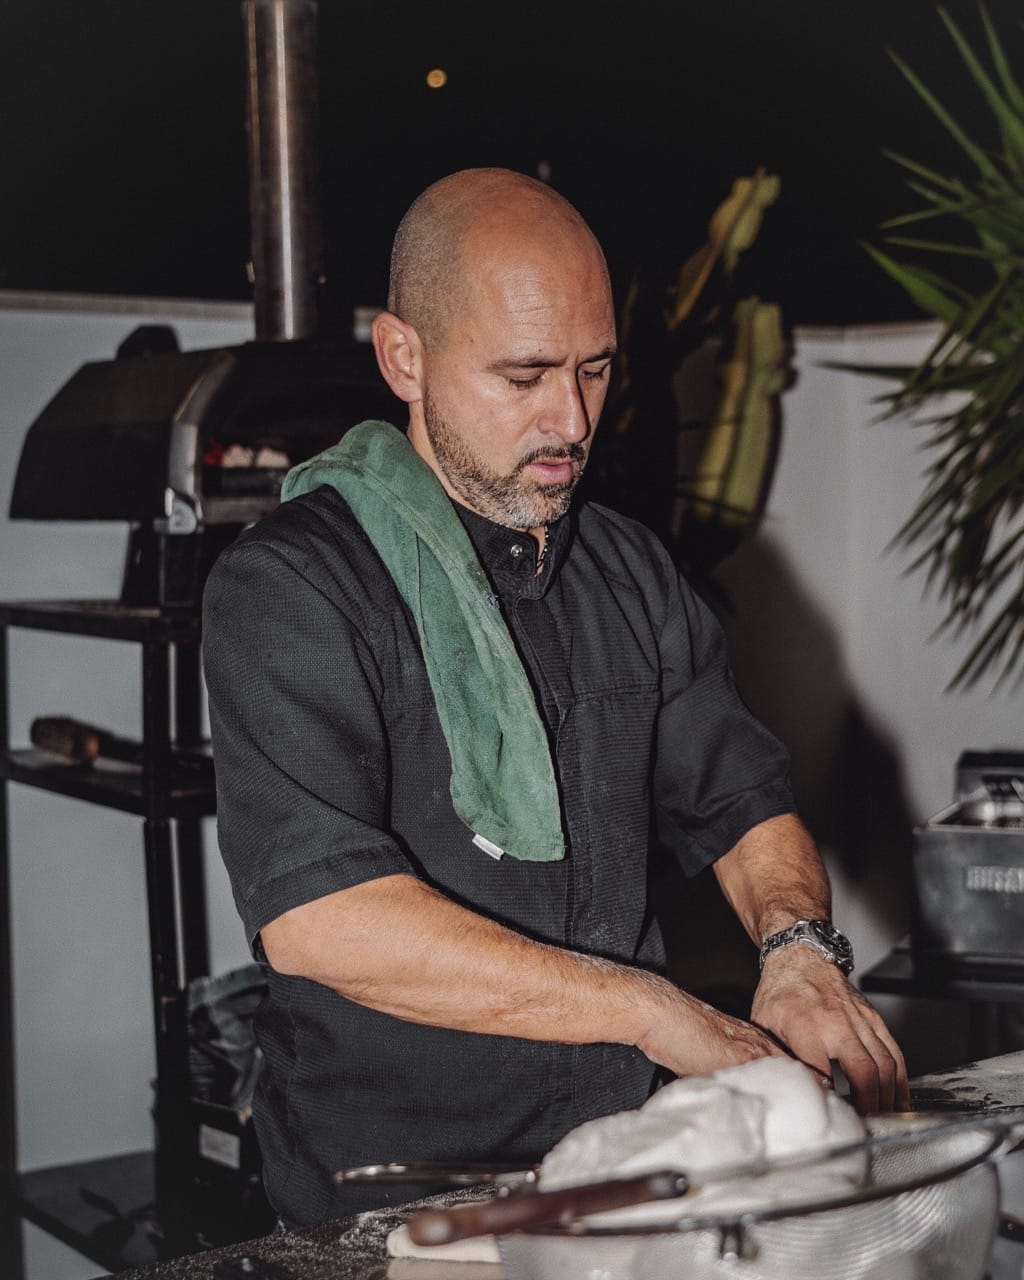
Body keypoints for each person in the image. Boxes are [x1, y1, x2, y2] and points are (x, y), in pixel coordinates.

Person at [203, 166, 908, 1231]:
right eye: (524, 375)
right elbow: (323, 920)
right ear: (404, 357)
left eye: (594, 369)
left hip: (620, 1163)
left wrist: (797, 948)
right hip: (391, 1191)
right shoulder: (294, 583)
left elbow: (739, 796)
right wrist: (652, 1010)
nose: (570, 419)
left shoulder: (630, 569)